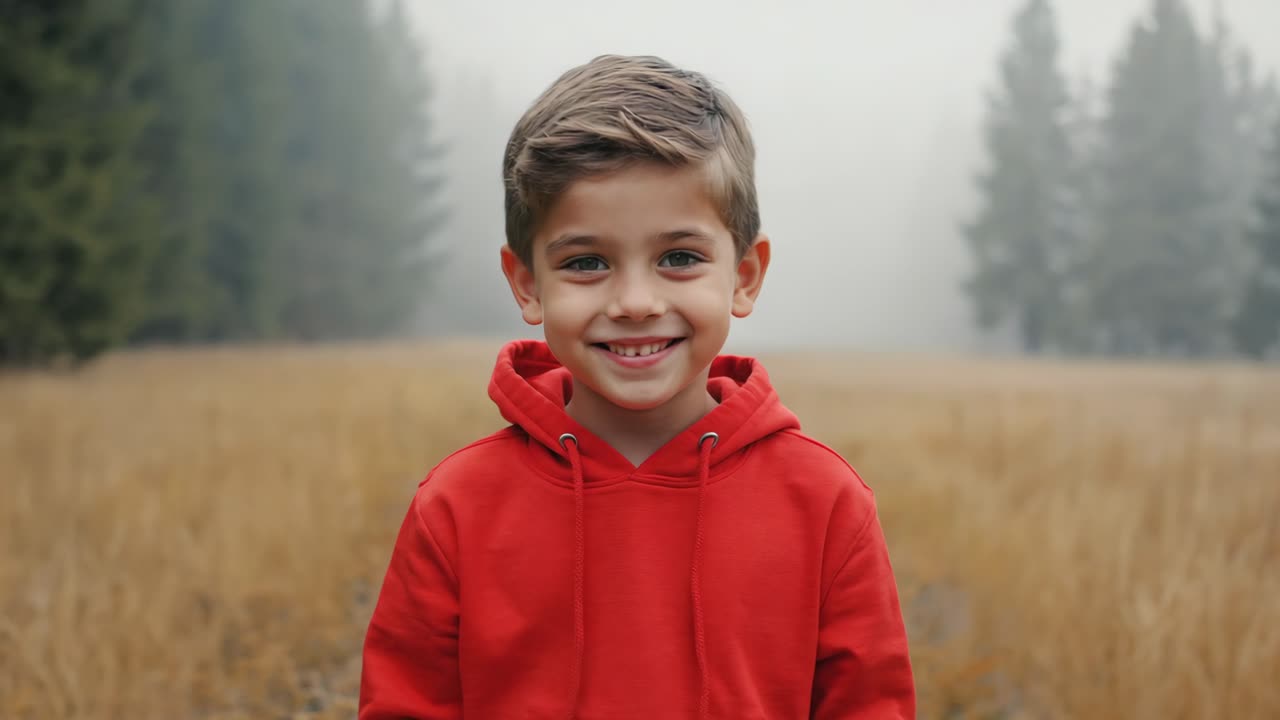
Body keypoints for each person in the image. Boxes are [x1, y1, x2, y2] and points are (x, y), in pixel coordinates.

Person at [359, 54, 915, 719]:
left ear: (743, 275)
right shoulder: (455, 508)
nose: (635, 301)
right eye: (586, 262)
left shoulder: (826, 506)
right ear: (527, 284)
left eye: (678, 258)